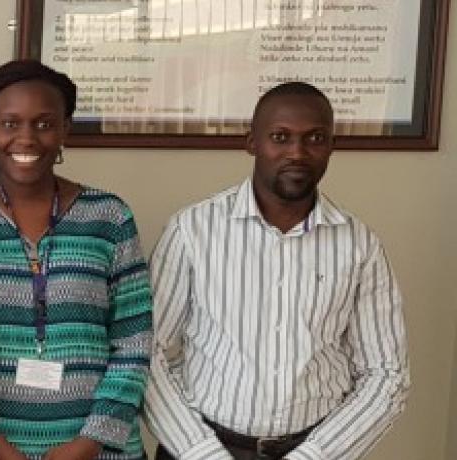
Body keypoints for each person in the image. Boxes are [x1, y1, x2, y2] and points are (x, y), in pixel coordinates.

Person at [144, 82, 408, 460]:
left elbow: (386, 375)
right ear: (252, 142)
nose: (297, 153)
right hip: (201, 447)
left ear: (332, 145)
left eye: (315, 138)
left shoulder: (359, 245)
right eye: (280, 137)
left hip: (315, 449)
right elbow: (148, 352)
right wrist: (203, 453)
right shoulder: (192, 231)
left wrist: (312, 456)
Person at [0, 60, 152, 460]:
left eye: (45, 123)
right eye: (11, 123)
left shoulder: (109, 216)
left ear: (66, 128)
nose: (27, 138)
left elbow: (134, 341)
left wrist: (91, 440)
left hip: (100, 450)